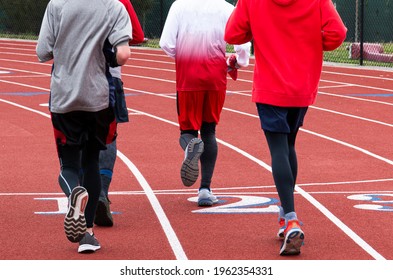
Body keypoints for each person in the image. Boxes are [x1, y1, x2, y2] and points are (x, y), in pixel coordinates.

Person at [224, 0, 347, 255]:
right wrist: (312, 42)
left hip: (270, 86)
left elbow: (232, 34)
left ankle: (290, 218)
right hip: (303, 84)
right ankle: (284, 216)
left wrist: (257, 30)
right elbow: (338, 33)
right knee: (290, 145)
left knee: (279, 149)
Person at [36, 0, 132, 253]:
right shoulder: (114, 6)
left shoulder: (57, 4)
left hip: (64, 96)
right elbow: (123, 55)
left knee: (69, 165)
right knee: (91, 162)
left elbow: (42, 51)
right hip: (98, 97)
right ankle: (88, 235)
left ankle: (73, 194)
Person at [159, 0, 251, 207]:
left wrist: (184, 56)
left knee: (187, 131)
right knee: (209, 131)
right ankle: (205, 190)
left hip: (188, 76)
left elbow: (166, 44)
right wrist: (239, 61)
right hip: (215, 76)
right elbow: (243, 44)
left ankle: (191, 145)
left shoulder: (179, 6)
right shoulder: (227, 9)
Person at [95, 0, 145, 228]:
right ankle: (102, 192)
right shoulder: (119, 2)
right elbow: (136, 34)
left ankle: (77, 194)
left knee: (75, 136)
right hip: (110, 76)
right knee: (108, 137)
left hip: (72, 78)